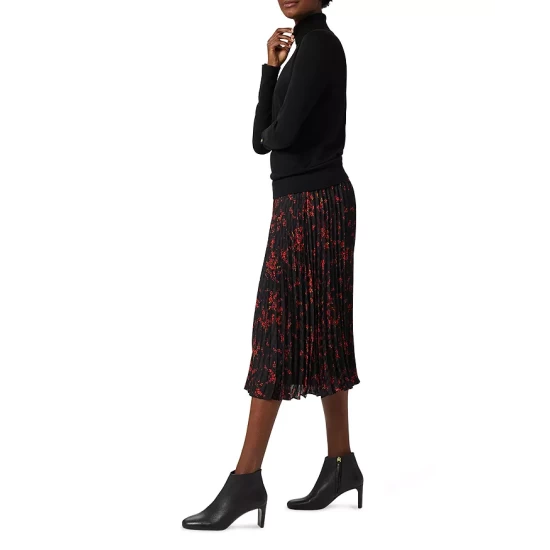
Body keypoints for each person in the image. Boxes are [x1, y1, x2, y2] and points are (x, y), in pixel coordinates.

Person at [182, 0, 363, 531]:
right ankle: (341, 464)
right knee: (318, 327)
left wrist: (274, 122)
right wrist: (269, 70)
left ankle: (245, 479)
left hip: (316, 205)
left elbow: (277, 138)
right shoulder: (301, 50)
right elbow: (260, 140)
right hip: (304, 203)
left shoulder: (321, 47)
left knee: (276, 331)